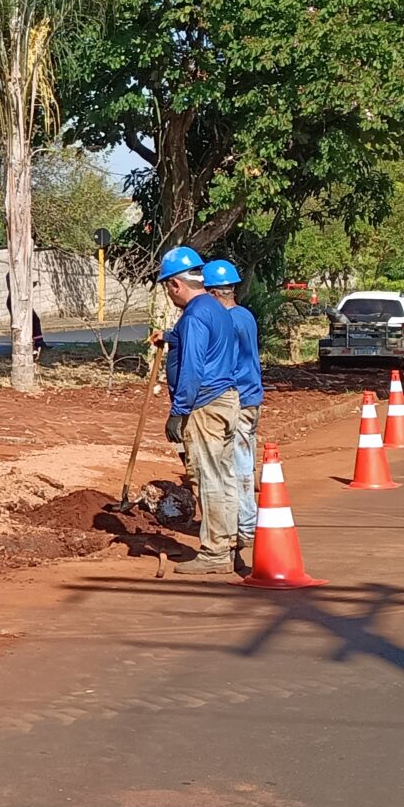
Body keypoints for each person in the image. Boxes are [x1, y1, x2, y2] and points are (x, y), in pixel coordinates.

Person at [153, 245, 248, 577]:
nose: (170, 295)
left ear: (176, 285)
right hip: (228, 399)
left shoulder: (194, 316)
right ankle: (231, 542)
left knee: (207, 479)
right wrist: (167, 336)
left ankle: (214, 552)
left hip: (205, 406)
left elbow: (192, 367)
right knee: (224, 477)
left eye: (168, 288)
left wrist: (178, 411)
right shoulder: (216, 309)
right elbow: (198, 345)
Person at [204, 257, 262, 571]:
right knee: (246, 459)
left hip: (239, 397)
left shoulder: (226, 321)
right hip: (252, 394)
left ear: (214, 294)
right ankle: (246, 522)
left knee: (238, 463)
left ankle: (247, 527)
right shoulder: (245, 315)